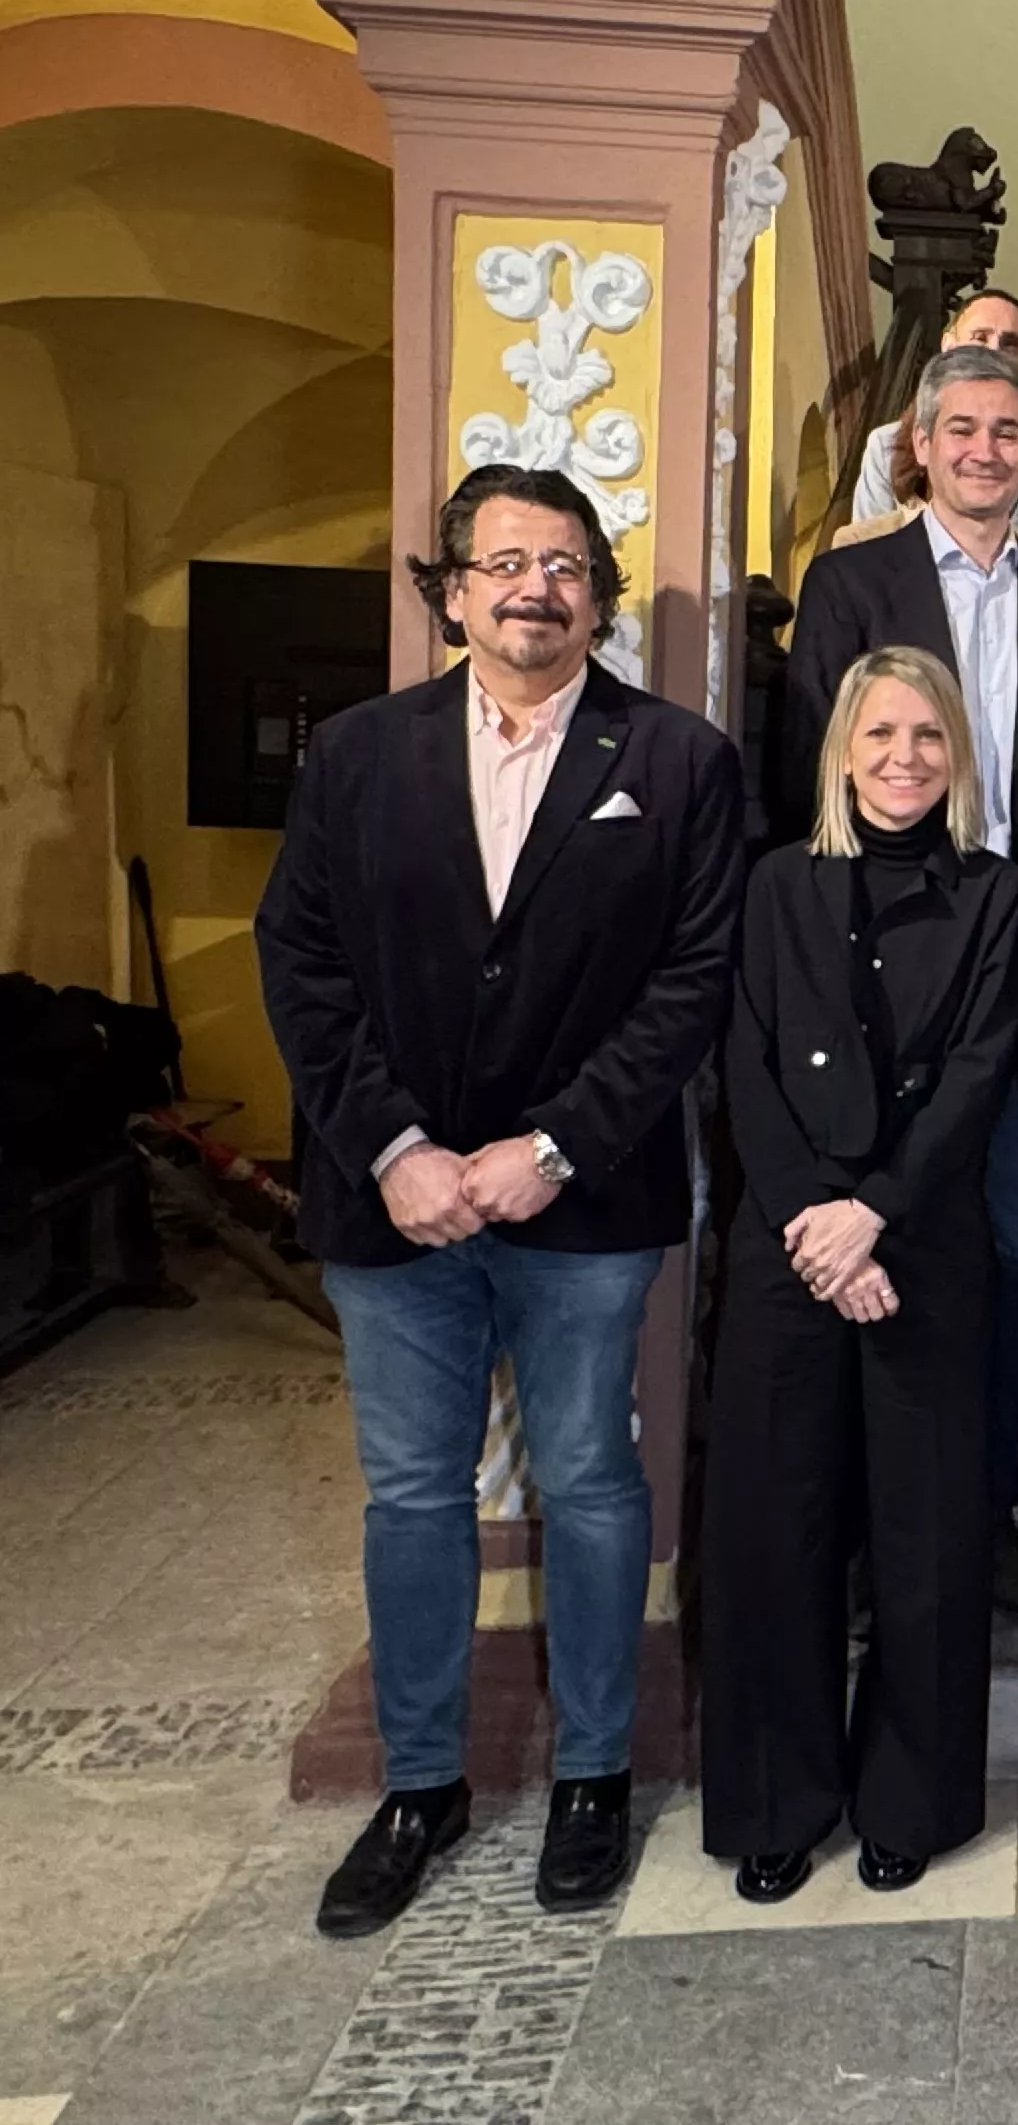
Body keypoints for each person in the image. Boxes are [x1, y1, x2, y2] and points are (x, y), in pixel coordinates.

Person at [254, 466, 744, 1938]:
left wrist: (553, 1145)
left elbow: (690, 985)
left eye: (566, 565)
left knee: (591, 1483)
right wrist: (395, 1147)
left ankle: (593, 1772)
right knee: (414, 1496)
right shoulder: (354, 755)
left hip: (583, 1204)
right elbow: (303, 965)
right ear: (452, 589)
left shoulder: (676, 759)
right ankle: (423, 1784)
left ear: (596, 592)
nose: (537, 587)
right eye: (506, 562)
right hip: (390, 1206)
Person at [778, 344, 1018, 1611]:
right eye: (962, 428)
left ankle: (976, 1518)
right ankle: (866, 1530)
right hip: (874, 968)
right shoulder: (851, 580)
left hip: (1011, 975)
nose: (986, 450)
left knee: (988, 1245)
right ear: (920, 443)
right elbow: (804, 771)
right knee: (874, 1230)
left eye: (1009, 430)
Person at [704, 648, 1018, 1903]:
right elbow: (749, 1065)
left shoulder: (996, 896)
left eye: (929, 738)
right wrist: (818, 1228)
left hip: (924, 1248)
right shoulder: (776, 885)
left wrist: (876, 1215)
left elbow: (979, 1072)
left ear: (958, 756)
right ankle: (778, 1799)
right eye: (881, 735)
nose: (904, 759)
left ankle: (910, 1797)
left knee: (927, 1538)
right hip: (788, 1250)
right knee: (773, 1533)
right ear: (842, 750)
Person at [843, 284, 1018, 534]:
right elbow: (866, 555)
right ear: (949, 345)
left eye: (1010, 344)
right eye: (980, 338)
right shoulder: (885, 447)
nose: (992, 352)